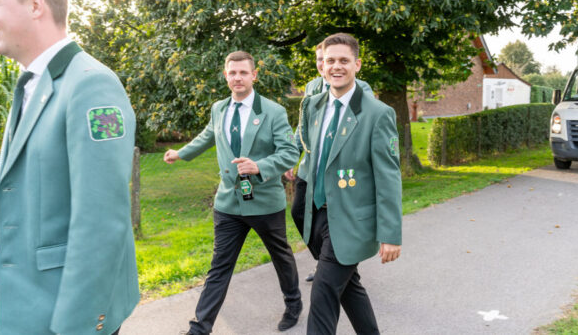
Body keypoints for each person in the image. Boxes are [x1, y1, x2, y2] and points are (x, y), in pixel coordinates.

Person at [0, 0, 139, 334]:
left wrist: (76, 326)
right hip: (24, 304)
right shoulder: (31, 85)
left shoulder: (92, 86)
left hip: (63, 315)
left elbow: (101, 222)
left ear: (35, 4)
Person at [164, 51, 302, 334]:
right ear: (226, 75)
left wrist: (260, 166)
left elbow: (289, 152)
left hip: (265, 203)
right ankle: (199, 328)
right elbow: (208, 136)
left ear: (254, 75)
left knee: (281, 257)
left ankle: (293, 303)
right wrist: (181, 153)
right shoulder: (218, 108)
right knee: (219, 266)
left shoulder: (273, 111)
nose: (238, 78)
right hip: (228, 203)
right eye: (232, 73)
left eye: (243, 72)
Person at [299, 32, 402, 334]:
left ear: (357, 65)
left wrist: (390, 234)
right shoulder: (312, 106)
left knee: (323, 295)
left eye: (344, 60)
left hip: (352, 221)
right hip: (318, 217)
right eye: (330, 60)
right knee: (349, 288)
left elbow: (388, 178)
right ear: (322, 66)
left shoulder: (378, 114)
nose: (336, 66)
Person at [286, 41, 373, 282]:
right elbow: (302, 127)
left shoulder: (362, 88)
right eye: (320, 60)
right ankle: (327, 263)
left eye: (335, 60)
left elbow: (366, 124)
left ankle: (332, 267)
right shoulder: (312, 87)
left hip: (341, 171)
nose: (323, 64)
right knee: (299, 213)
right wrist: (292, 157)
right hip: (310, 169)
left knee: (333, 222)